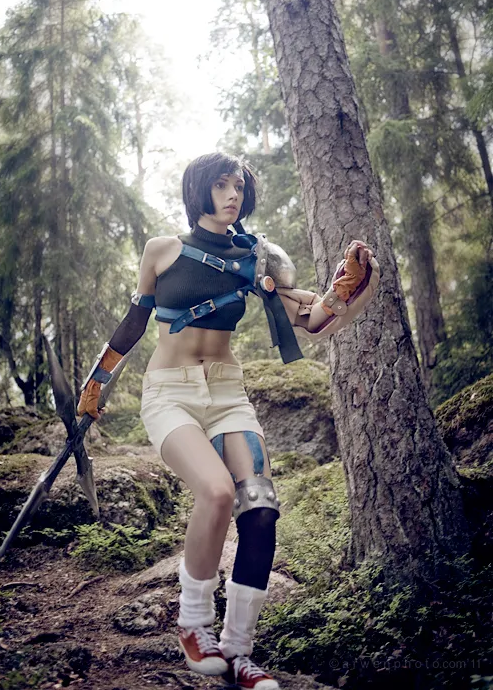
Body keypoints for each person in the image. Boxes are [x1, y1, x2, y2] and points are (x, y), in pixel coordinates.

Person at [77, 152, 376, 690]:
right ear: (199, 190)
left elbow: (312, 320)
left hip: (228, 394)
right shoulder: (162, 250)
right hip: (169, 393)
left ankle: (239, 652)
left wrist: (346, 291)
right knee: (216, 492)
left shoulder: (258, 258)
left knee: (259, 509)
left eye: (237, 185)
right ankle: (194, 624)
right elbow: (135, 321)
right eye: (220, 185)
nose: (232, 194)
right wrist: (96, 381)